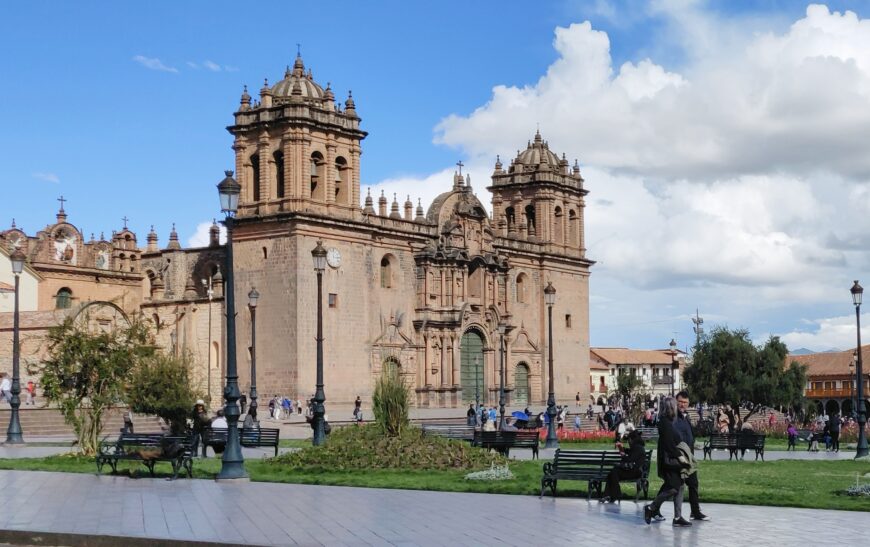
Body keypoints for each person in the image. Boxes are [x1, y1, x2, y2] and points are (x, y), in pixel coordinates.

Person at [644, 396, 691, 527]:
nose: (677, 407)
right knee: (674, 487)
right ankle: (651, 507)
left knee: (679, 485)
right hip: (670, 460)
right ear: (671, 407)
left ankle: (677, 517)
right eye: (675, 405)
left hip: (671, 457)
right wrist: (681, 458)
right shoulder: (665, 423)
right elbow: (669, 444)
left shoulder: (668, 421)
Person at [674, 391, 709, 521]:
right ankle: (654, 508)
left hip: (690, 457)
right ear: (676, 402)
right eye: (680, 402)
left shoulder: (686, 416)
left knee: (693, 484)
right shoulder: (674, 418)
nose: (683, 405)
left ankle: (695, 511)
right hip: (681, 457)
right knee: (674, 487)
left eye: (685, 402)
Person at [601, 429, 646, 502]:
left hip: (635, 472)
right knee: (613, 473)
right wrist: (621, 448)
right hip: (633, 471)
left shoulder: (637, 448)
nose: (628, 442)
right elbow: (629, 451)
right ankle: (610, 495)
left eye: (629, 440)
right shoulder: (638, 447)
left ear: (631, 439)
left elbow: (629, 459)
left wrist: (623, 455)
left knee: (614, 472)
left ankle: (613, 494)